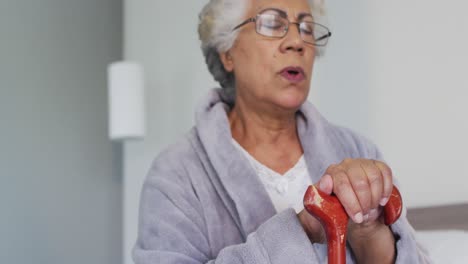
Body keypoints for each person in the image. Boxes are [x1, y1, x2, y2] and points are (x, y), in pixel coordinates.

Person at [133, 0, 431, 263]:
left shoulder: (358, 150)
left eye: (307, 28)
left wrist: (368, 230)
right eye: (273, 23)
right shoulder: (176, 174)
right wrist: (300, 230)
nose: (297, 42)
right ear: (227, 51)